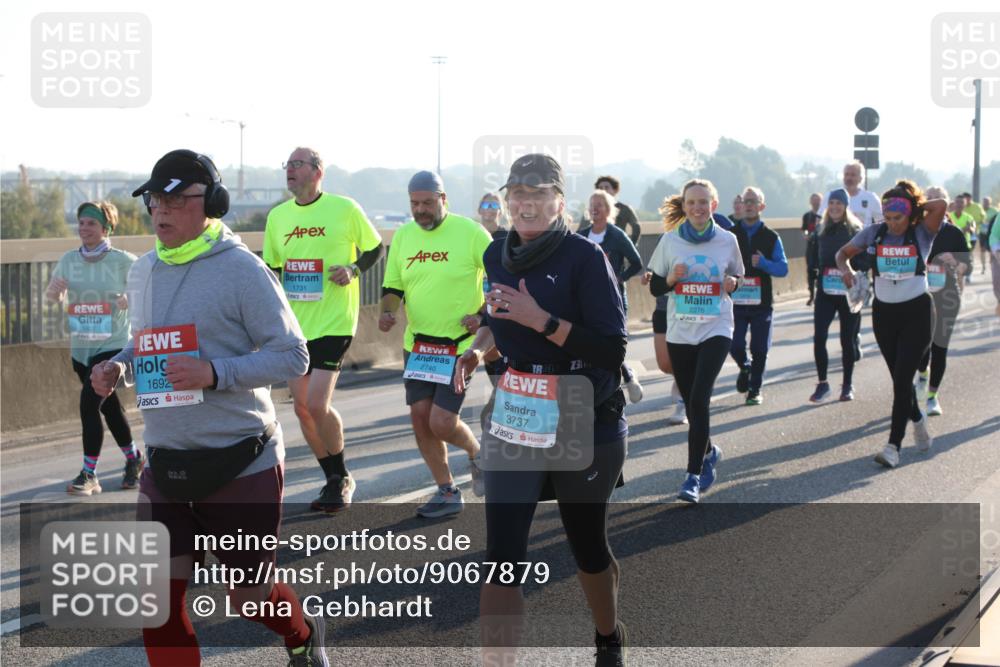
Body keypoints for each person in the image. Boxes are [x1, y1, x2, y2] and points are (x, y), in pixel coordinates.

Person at [90, 149, 325, 665]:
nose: (161, 210)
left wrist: (215, 374)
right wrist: (118, 367)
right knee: (157, 602)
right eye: (155, 199)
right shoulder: (144, 270)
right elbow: (147, 344)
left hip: (240, 461)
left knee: (247, 601)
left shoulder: (242, 270)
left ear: (210, 203)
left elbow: (294, 355)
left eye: (176, 198)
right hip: (167, 462)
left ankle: (303, 634)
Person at [453, 154, 629, 665]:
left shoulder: (584, 258)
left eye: (538, 194)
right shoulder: (495, 255)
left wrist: (543, 321)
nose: (527, 203)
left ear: (559, 202)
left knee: (587, 545)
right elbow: (498, 316)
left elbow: (612, 350)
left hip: (585, 411)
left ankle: (608, 636)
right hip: (519, 411)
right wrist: (478, 348)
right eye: (518, 194)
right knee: (501, 555)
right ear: (506, 200)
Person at [263, 147, 384, 514]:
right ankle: (334, 477)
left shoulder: (344, 209)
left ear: (318, 172)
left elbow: (375, 248)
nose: (290, 170)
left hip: (335, 321)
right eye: (287, 165)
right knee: (302, 409)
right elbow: (272, 269)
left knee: (317, 403)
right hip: (296, 326)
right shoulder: (278, 217)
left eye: (297, 164)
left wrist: (353, 269)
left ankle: (342, 475)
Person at [379, 171, 490, 518]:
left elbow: (500, 278)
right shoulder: (404, 236)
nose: (421, 210)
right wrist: (387, 313)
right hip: (419, 346)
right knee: (420, 419)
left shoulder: (471, 233)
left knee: (442, 422)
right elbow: (393, 286)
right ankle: (447, 490)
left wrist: (483, 315)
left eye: (428, 203)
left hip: (457, 347)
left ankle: (478, 453)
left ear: (444, 199)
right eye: (414, 203)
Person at [836, 180, 946, 468]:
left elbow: (941, 206)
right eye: (889, 217)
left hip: (918, 313)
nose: (894, 223)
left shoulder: (922, 232)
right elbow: (842, 253)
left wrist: (914, 205)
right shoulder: (874, 233)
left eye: (898, 217)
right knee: (900, 377)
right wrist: (845, 270)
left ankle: (893, 447)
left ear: (910, 216)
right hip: (884, 315)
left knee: (901, 381)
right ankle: (919, 420)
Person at [648, 179, 744, 503]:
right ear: (684, 206)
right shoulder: (670, 241)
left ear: (713, 205)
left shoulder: (727, 240)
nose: (698, 208)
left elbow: (738, 277)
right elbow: (655, 287)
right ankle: (711, 450)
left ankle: (692, 475)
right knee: (691, 401)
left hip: (716, 327)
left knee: (699, 400)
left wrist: (733, 283)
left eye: (703, 202)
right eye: (691, 203)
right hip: (680, 331)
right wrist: (672, 279)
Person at [44, 201, 139, 496]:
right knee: (110, 409)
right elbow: (51, 298)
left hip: (112, 347)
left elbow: (144, 296)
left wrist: (129, 299)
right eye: (81, 223)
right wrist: (56, 293)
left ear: (106, 228)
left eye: (91, 224)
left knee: (89, 405)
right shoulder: (69, 260)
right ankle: (134, 459)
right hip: (82, 348)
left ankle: (89, 474)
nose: (84, 229)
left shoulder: (125, 261)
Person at [578, 189, 645, 403]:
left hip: (613, 300)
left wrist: (620, 277)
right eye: (592, 204)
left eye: (600, 204)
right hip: (586, 300)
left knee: (611, 343)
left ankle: (626, 376)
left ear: (609, 210)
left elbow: (637, 262)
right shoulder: (583, 235)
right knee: (592, 345)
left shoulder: (616, 235)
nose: (595, 208)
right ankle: (611, 383)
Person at [729, 187, 788, 405]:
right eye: (746, 201)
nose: (749, 205)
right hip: (736, 301)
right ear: (741, 205)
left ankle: (755, 389)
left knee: (760, 348)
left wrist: (764, 263)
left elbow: (783, 269)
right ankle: (745, 367)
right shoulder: (731, 235)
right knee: (734, 345)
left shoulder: (771, 237)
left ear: (761, 206)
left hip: (761, 302)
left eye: (754, 201)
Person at [915, 187, 970, 417]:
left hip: (947, 296)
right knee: (920, 346)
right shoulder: (916, 232)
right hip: (919, 296)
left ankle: (932, 396)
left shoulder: (954, 233)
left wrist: (954, 262)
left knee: (940, 347)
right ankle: (922, 373)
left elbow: (967, 268)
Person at [808, 188, 867, 402]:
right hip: (825, 291)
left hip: (848, 293)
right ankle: (823, 384)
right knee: (819, 338)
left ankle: (847, 385)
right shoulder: (820, 230)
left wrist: (851, 271)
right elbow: (812, 261)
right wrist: (811, 290)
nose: (834, 207)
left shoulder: (856, 230)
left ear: (845, 206)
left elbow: (865, 261)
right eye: (831, 203)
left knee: (846, 340)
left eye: (839, 203)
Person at [466, 192, 509, 384]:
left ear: (501, 211)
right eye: (486, 205)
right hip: (473, 301)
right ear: (479, 210)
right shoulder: (470, 236)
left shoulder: (507, 238)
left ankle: (500, 395)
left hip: (498, 302)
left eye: (494, 206)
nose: (489, 210)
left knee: (494, 352)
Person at [595, 175, 642, 244]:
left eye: (606, 187)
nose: (603, 191)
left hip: (618, 247)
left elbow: (636, 227)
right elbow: (581, 230)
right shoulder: (592, 209)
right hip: (597, 247)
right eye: (600, 188)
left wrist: (631, 246)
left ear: (615, 190)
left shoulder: (624, 209)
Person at [803, 193, 822, 306]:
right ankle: (811, 296)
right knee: (810, 272)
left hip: (822, 248)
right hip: (811, 248)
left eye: (818, 200)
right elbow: (804, 230)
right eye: (814, 200)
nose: (816, 203)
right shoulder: (807, 216)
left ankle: (820, 294)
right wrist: (806, 235)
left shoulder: (824, 216)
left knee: (821, 271)